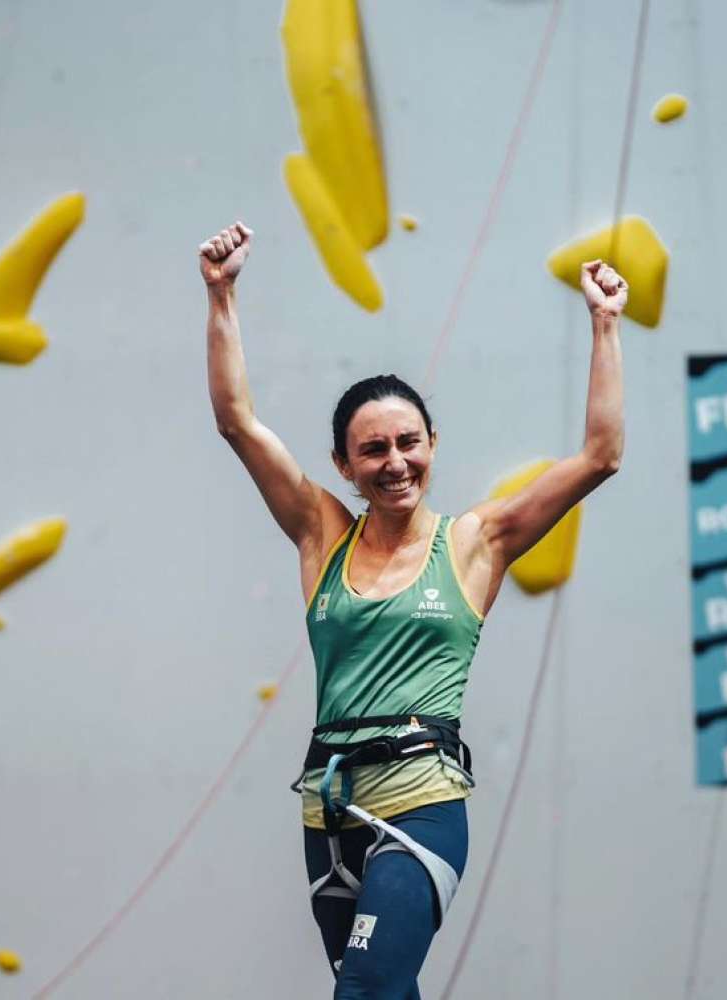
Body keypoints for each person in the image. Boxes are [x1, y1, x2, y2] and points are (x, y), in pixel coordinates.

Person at [199, 221, 626, 999]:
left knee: (362, 992)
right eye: (373, 450)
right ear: (344, 466)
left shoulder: (475, 542)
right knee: (389, 993)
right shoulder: (320, 532)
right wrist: (221, 294)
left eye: (409, 441)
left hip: (421, 803)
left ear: (432, 443)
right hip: (328, 813)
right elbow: (237, 423)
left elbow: (600, 456)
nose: (395, 462)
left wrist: (604, 323)